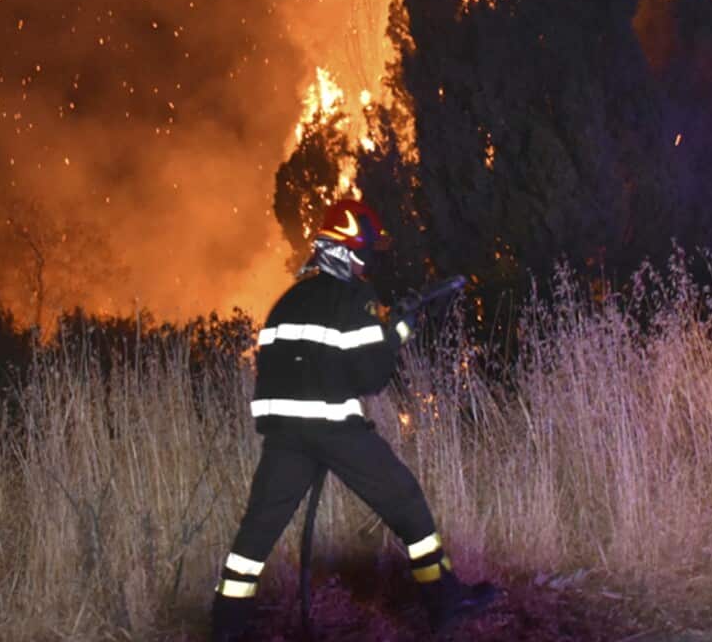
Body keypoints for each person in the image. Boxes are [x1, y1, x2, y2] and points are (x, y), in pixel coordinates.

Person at [210, 199, 498, 641]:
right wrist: (397, 334)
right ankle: (444, 601)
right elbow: (371, 377)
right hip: (334, 430)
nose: (367, 266)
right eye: (364, 255)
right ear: (344, 252)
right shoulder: (354, 299)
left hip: (283, 435)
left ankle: (225, 625)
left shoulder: (287, 301)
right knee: (406, 502)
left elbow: (288, 366)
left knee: (258, 528)